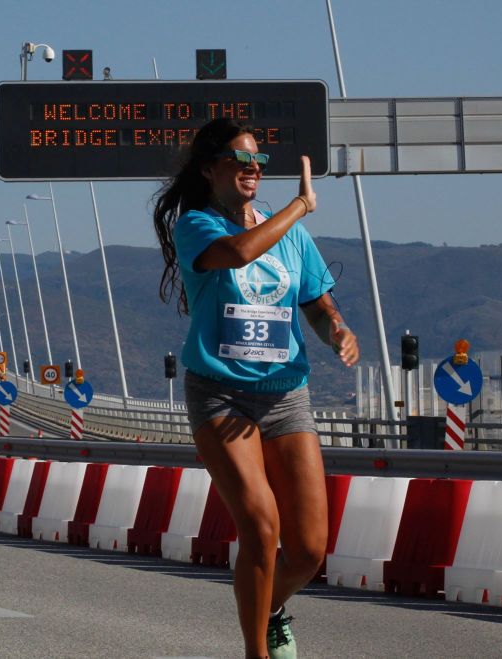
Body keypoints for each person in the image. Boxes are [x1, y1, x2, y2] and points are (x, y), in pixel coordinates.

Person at [152, 118, 359, 658]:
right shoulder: (196, 225)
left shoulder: (292, 235)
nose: (252, 168)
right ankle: (256, 653)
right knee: (262, 526)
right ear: (209, 169)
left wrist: (338, 330)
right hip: (220, 395)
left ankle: (268, 610)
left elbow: (318, 304)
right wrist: (301, 206)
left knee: (309, 549)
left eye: (258, 160)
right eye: (239, 159)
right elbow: (241, 252)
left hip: (285, 394)